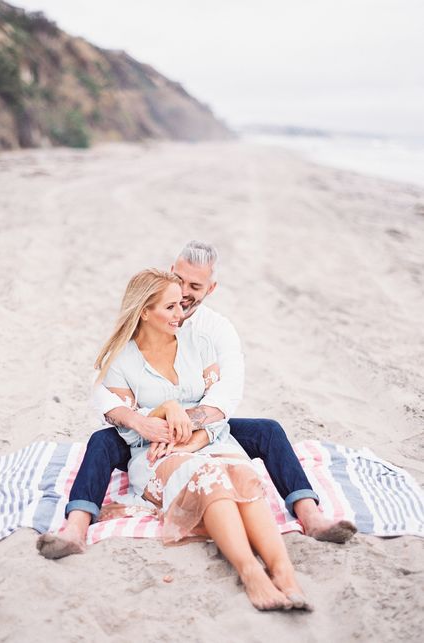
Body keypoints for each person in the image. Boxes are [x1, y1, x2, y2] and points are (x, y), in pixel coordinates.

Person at [39, 241, 355, 555]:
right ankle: (76, 528)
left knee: (268, 430)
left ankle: (309, 515)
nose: (184, 293)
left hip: (201, 426)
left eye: (195, 285)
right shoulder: (144, 317)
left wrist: (186, 429)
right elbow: (102, 385)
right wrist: (142, 422)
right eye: (179, 281)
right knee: (101, 442)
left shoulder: (214, 330)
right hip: (144, 434)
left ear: (210, 288)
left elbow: (228, 391)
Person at [39, 269, 311, 611]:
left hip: (212, 440)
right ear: (144, 312)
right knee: (210, 479)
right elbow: (129, 429)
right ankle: (251, 572)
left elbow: (219, 408)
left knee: (241, 477)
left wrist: (197, 437)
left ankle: (285, 574)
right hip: (156, 454)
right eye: (170, 308)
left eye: (180, 305)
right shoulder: (121, 360)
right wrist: (168, 409)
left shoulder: (199, 344)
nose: (180, 314)